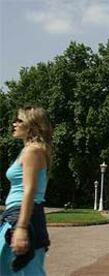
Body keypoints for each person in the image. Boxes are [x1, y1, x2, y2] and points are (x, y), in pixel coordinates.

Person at [0, 106, 53, 275]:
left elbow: (30, 189)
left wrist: (21, 227)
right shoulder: (27, 150)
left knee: (29, 271)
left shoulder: (33, 151)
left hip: (25, 218)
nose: (14, 124)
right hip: (14, 215)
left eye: (19, 120)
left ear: (33, 125)